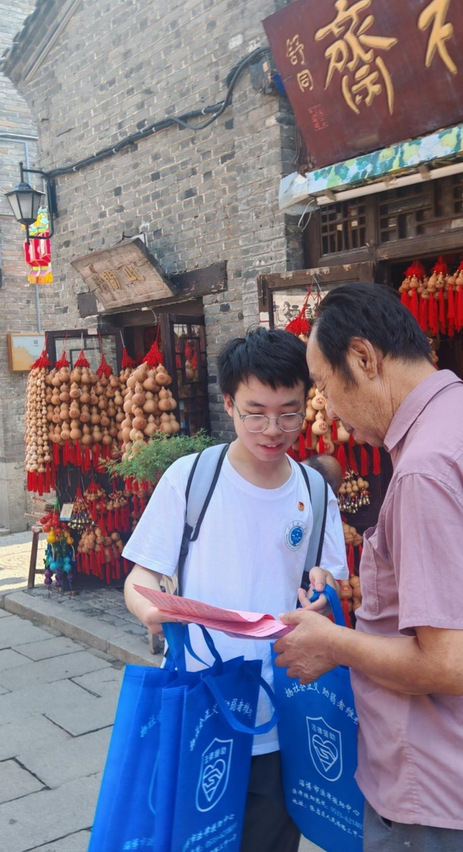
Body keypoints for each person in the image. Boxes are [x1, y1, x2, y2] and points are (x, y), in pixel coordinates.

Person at [274, 283, 463, 852]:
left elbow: (452, 665)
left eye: (323, 385)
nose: (330, 411)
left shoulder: (426, 469)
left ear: (363, 358)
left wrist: (333, 643)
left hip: (459, 799)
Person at [123, 326, 348, 852]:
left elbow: (327, 579)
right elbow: (140, 579)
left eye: (289, 413)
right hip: (202, 703)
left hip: (282, 712)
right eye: (255, 413)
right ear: (228, 404)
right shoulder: (190, 478)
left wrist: (324, 591)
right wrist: (149, 609)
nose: (273, 429)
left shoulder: (315, 492)